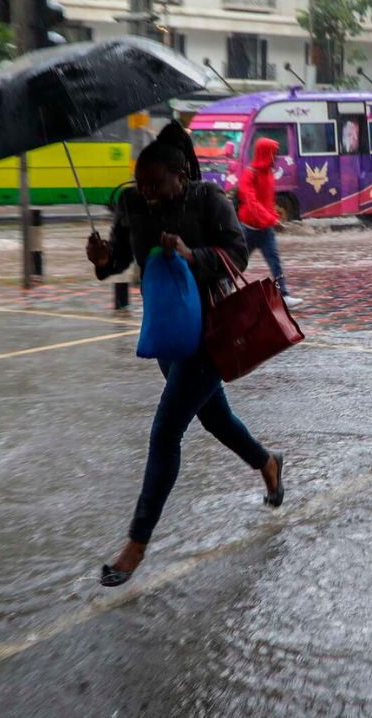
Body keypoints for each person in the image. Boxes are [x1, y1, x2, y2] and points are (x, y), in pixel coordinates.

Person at [85, 123, 285, 587]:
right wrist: (100, 258)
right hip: (166, 332)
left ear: (180, 174)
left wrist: (193, 255)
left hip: (209, 333)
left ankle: (135, 544)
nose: (148, 193)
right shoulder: (132, 204)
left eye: (157, 184)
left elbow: (238, 253)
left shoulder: (208, 199)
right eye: (142, 184)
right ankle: (268, 463)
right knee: (214, 418)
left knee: (165, 431)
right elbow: (117, 260)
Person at [237, 136, 302, 308]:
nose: (276, 158)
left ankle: (284, 294)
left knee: (275, 262)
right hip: (248, 230)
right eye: (274, 154)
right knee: (236, 263)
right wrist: (273, 220)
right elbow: (252, 204)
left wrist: (274, 218)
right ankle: (223, 290)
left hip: (266, 230)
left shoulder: (268, 174)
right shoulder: (249, 175)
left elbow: (267, 202)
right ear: (265, 154)